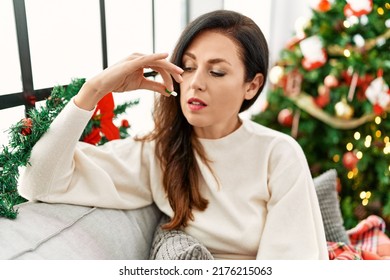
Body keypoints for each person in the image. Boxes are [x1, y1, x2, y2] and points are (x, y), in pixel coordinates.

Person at [19, 10, 328, 259]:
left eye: (216, 71)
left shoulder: (278, 153)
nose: (195, 83)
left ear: (252, 85)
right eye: (188, 67)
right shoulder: (157, 152)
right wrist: (94, 90)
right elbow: (39, 183)